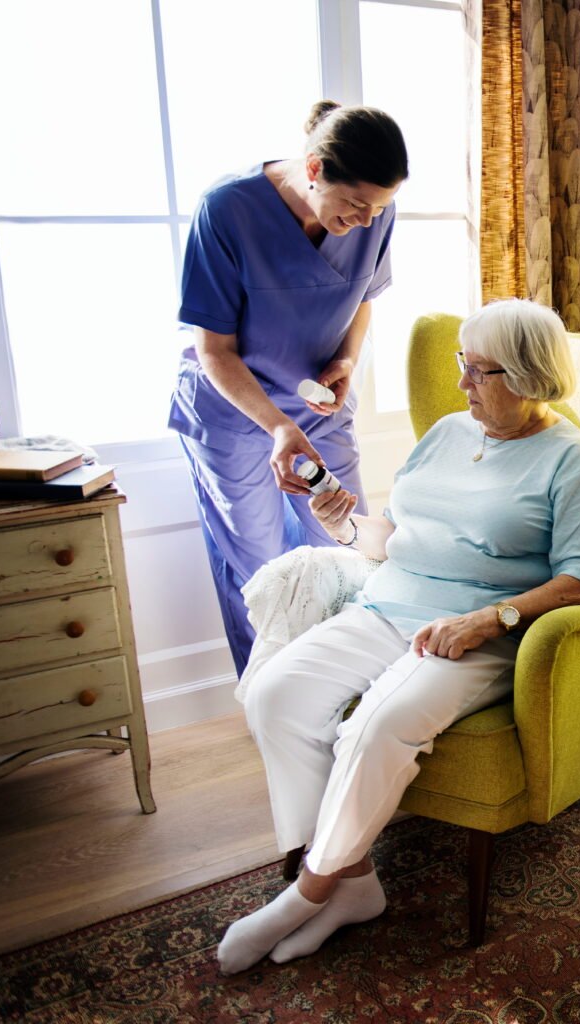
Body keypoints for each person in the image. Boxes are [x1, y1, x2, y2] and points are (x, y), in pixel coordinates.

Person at [216, 298, 580, 973]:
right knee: (275, 695)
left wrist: (488, 620)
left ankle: (306, 894)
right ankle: (354, 885)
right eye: (463, 365)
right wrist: (340, 522)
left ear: (523, 375)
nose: (461, 384)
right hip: (387, 603)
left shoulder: (569, 463)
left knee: (378, 726)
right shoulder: (446, 435)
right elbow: (397, 539)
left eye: (477, 371)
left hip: (475, 634)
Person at [168, 102, 409, 677]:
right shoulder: (227, 211)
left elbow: (364, 300)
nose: (367, 221)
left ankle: (353, 688)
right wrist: (278, 426)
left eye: (380, 208)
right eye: (355, 205)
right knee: (259, 564)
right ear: (314, 167)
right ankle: (275, 702)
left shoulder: (373, 214)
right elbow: (213, 351)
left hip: (319, 405)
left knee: (353, 546)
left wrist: (348, 358)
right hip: (235, 411)